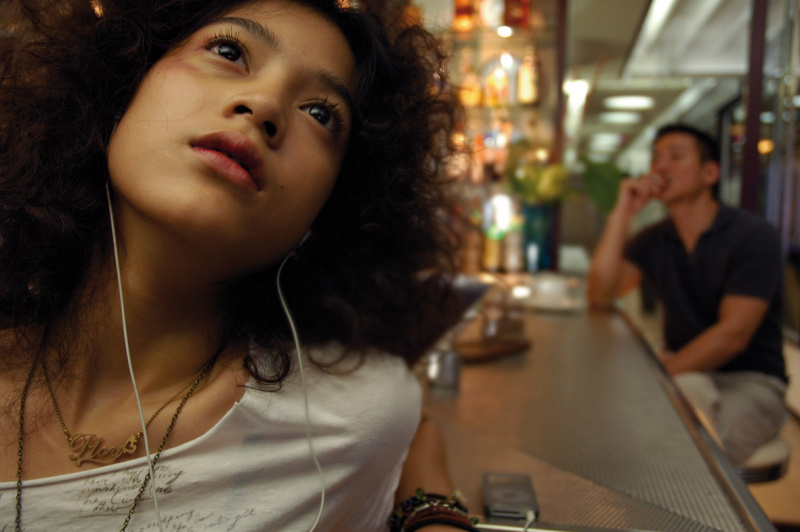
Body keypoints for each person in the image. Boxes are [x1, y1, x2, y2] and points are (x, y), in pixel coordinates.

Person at [0, 0, 476, 530]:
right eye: (229, 51)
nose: (265, 104)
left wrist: (432, 507)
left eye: (321, 114)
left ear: (329, 209)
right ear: (122, 87)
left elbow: (407, 431)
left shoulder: (347, 419)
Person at [587, 123, 788, 466]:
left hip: (751, 381)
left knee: (693, 443)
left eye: (676, 156)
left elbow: (733, 335)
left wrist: (656, 378)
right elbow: (601, 294)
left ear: (710, 173)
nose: (661, 167)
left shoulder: (754, 236)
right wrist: (622, 210)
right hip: (686, 372)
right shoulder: (656, 238)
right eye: (656, 158)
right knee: (656, 422)